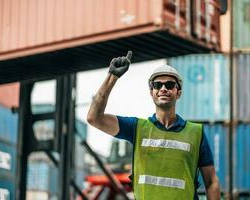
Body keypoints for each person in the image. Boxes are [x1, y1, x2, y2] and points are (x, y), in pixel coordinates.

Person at [87, 51, 220, 200]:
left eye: (169, 85)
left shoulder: (196, 132)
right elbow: (94, 118)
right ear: (152, 92)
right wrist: (112, 76)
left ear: (179, 93)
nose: (163, 88)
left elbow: (211, 181)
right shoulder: (137, 128)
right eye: (158, 85)